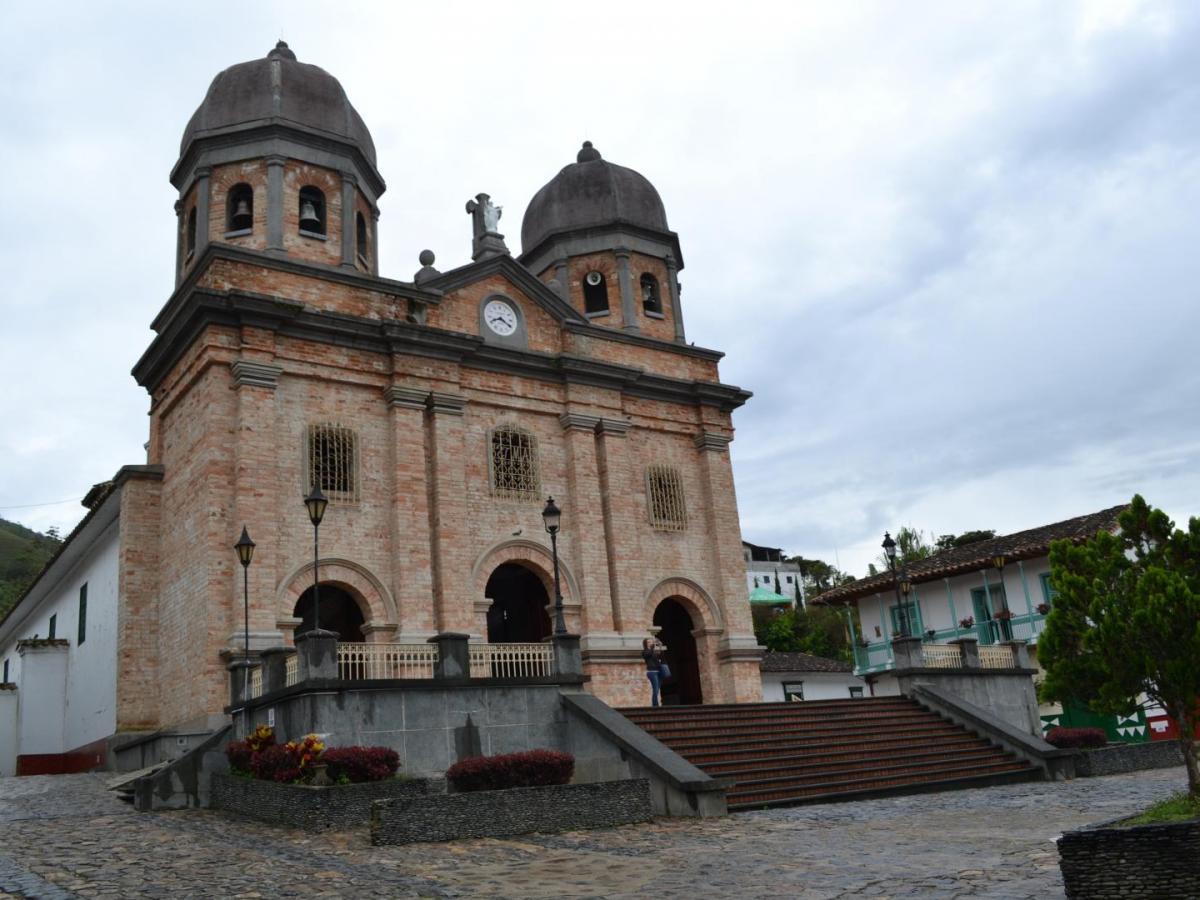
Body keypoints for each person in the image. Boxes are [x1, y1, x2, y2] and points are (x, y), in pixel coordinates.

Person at [642, 637, 665, 707]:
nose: (650, 643)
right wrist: (652, 647)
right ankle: (655, 705)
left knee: (657, 688)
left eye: (651, 642)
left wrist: (660, 647)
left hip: (658, 672)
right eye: (648, 642)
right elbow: (648, 655)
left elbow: (661, 657)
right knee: (655, 688)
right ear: (645, 644)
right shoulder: (645, 652)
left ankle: (655, 704)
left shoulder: (653, 652)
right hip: (652, 672)